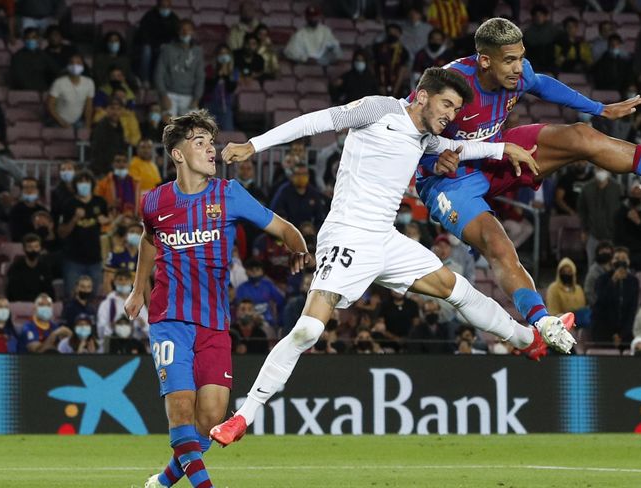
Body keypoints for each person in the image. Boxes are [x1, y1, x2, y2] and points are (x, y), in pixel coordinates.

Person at [209, 68, 576, 447]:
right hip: (347, 235)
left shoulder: (426, 137)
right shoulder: (379, 109)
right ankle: (243, 416)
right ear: (423, 96)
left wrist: (502, 149)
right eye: (447, 104)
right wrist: (253, 145)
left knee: (456, 288)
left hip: (386, 240)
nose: (451, 115)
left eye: (456, 109)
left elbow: (460, 148)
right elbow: (315, 121)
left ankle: (528, 340)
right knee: (308, 330)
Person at [416, 18, 641, 335]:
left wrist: (599, 109)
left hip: (497, 152)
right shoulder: (450, 83)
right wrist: (432, 162)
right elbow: (406, 129)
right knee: (496, 243)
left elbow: (542, 84)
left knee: (582, 135)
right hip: (449, 179)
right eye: (510, 60)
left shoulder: (518, 73)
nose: (519, 68)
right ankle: (543, 323)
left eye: (521, 57)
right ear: (485, 61)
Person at [128, 110, 311, 488]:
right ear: (178, 154)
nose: (211, 150)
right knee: (181, 411)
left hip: (214, 323)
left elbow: (283, 227)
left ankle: (162, 482)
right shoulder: (154, 201)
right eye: (200, 143)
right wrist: (136, 289)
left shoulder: (229, 194)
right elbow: (149, 240)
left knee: (210, 420)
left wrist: (298, 245)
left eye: (211, 143)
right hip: (169, 319)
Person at [58, 171, 109, 317]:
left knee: (92, 298)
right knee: (71, 296)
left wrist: (106, 221)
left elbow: (109, 224)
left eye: (87, 181)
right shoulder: (69, 204)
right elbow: (61, 233)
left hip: (95, 259)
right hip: (73, 259)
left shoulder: (100, 202)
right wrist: (75, 218)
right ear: (75, 185)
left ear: (92, 184)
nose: (84, 185)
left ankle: (89, 322)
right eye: (81, 182)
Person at [154, 19, 205, 118]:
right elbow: (159, 74)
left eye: (188, 30)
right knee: (168, 123)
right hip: (169, 94)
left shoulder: (197, 51)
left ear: (193, 32)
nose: (185, 32)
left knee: (194, 124)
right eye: (182, 29)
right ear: (178, 31)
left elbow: (200, 77)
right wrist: (163, 95)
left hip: (189, 96)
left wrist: (196, 98)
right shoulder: (167, 49)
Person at [592, 247, 639, 347]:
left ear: (629, 262)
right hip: (604, 329)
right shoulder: (602, 279)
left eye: (624, 258)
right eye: (617, 258)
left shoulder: (634, 281)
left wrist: (621, 335)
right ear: (611, 261)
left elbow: (632, 310)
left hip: (625, 332)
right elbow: (601, 301)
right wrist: (613, 281)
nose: (620, 261)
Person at [134, 0, 180, 83]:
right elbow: (143, 35)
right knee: (146, 50)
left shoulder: (174, 18)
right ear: (158, 6)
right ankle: (145, 80)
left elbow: (176, 36)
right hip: (149, 44)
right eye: (163, 6)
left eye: (168, 6)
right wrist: (155, 45)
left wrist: (167, 45)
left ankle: (165, 81)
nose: (165, 9)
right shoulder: (149, 16)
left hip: (166, 45)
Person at [269, 163, 327, 229]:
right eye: (298, 174)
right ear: (292, 176)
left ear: (308, 176)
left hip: (307, 231)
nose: (301, 177)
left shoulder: (313, 193)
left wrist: (313, 229)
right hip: (288, 230)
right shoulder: (284, 191)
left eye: (304, 174)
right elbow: (275, 212)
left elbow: (320, 217)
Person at [46, 53, 94, 130]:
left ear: (83, 66)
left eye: (78, 63)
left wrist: (88, 125)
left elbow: (88, 107)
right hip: (58, 122)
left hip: (78, 122)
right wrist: (62, 122)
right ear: (68, 66)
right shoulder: (59, 82)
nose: (75, 66)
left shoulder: (89, 82)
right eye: (72, 63)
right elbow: (50, 105)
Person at [234, 258, 285, 330]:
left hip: (267, 322)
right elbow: (239, 308)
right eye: (251, 270)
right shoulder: (241, 288)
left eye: (257, 269)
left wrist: (279, 322)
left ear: (262, 271)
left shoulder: (268, 285)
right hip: (247, 323)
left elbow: (281, 302)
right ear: (246, 272)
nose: (254, 272)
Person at [614, 181, 641, 270]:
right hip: (623, 251)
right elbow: (617, 233)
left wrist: (638, 222)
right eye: (634, 192)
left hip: (640, 250)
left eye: (639, 192)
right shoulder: (620, 211)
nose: (636, 194)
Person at [6, 233, 55, 302]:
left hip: (40, 303)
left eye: (36, 247)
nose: (33, 250)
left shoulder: (45, 268)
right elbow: (13, 293)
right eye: (30, 247)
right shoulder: (15, 268)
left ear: (40, 248)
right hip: (20, 304)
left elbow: (50, 291)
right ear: (24, 249)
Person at [203, 44, 238, 131]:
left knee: (228, 131)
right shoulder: (209, 69)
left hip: (226, 106)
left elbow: (231, 89)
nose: (223, 56)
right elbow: (208, 88)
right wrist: (218, 75)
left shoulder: (234, 71)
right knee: (209, 132)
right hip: (210, 105)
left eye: (225, 53)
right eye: (221, 53)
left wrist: (226, 75)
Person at [89, 100, 128, 176]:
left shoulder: (120, 127)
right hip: (101, 171)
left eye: (118, 109)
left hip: (116, 170)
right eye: (112, 108)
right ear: (106, 110)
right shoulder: (100, 128)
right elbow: (97, 153)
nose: (115, 112)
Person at [9, 177, 48, 242]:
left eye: (32, 187)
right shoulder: (15, 210)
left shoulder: (43, 211)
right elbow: (15, 235)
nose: (29, 190)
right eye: (26, 187)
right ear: (22, 191)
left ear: (38, 190)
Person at [584, 241, 614, 307]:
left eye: (607, 249)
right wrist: (598, 305)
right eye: (602, 249)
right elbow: (588, 291)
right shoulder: (593, 271)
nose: (604, 251)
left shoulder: (615, 268)